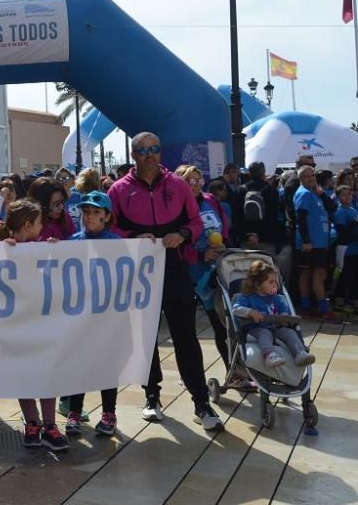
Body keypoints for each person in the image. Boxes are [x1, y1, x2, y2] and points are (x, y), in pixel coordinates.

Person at [108, 132, 222, 431]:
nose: (150, 154)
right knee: (146, 338)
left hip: (174, 267)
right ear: (133, 154)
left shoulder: (178, 186)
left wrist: (183, 235)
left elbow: (196, 222)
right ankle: (152, 396)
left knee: (185, 336)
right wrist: (133, 237)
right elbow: (111, 229)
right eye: (143, 150)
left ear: (161, 153)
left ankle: (201, 401)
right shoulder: (119, 190)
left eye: (155, 149)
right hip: (138, 272)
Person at [0, 199, 70, 451]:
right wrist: (0, 250)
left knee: (45, 372)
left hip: (38, 324)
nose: (43, 228)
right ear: (28, 224)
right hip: (13, 325)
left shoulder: (39, 248)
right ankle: (33, 423)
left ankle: (50, 425)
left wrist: (53, 251)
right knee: (24, 374)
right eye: (40, 223)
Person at [175, 165, 246, 385]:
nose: (195, 185)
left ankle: (234, 370)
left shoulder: (210, 200)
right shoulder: (177, 209)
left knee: (223, 321)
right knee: (186, 328)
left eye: (198, 180)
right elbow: (177, 246)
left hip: (217, 268)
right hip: (191, 274)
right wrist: (200, 254)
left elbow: (223, 223)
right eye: (189, 181)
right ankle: (190, 373)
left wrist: (222, 242)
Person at [64, 191, 122, 438]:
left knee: (107, 365)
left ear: (107, 216)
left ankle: (109, 413)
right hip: (79, 318)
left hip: (107, 317)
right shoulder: (72, 242)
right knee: (79, 365)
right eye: (86, 211)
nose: (90, 216)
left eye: (96, 212)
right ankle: (74, 413)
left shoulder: (118, 244)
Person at [231, 260, 316, 367]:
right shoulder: (246, 297)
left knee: (289, 333)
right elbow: (235, 309)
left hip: (276, 327)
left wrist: (284, 317)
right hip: (255, 329)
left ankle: (300, 353)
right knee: (264, 333)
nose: (275, 285)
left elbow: (284, 310)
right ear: (257, 284)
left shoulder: (277, 298)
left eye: (275, 282)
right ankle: (269, 355)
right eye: (271, 282)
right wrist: (250, 312)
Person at [294, 165, 337, 320]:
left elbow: (333, 207)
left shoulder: (315, 193)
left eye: (312, 176)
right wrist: (306, 241)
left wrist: (322, 194)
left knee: (309, 274)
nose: (311, 178)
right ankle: (324, 309)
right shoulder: (304, 194)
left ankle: (307, 307)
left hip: (320, 242)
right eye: (307, 176)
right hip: (311, 243)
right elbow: (301, 217)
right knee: (318, 274)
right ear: (300, 178)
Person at [241, 161, 283, 257]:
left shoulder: (240, 190)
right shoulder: (272, 191)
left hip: (246, 240)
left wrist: (247, 235)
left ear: (249, 173)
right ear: (264, 172)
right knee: (267, 270)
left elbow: (237, 216)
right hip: (267, 240)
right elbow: (274, 216)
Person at [26, 177, 76, 241]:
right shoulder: (27, 223)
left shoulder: (65, 217)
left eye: (62, 202)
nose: (61, 207)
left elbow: (74, 242)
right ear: (41, 203)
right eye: (56, 204)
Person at [332, 185, 357, 307]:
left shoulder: (353, 210)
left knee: (354, 275)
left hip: (355, 250)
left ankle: (352, 299)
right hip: (346, 251)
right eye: (344, 194)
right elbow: (342, 233)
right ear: (338, 197)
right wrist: (354, 223)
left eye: (349, 194)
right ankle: (339, 301)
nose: (347, 197)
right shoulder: (340, 212)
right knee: (345, 276)